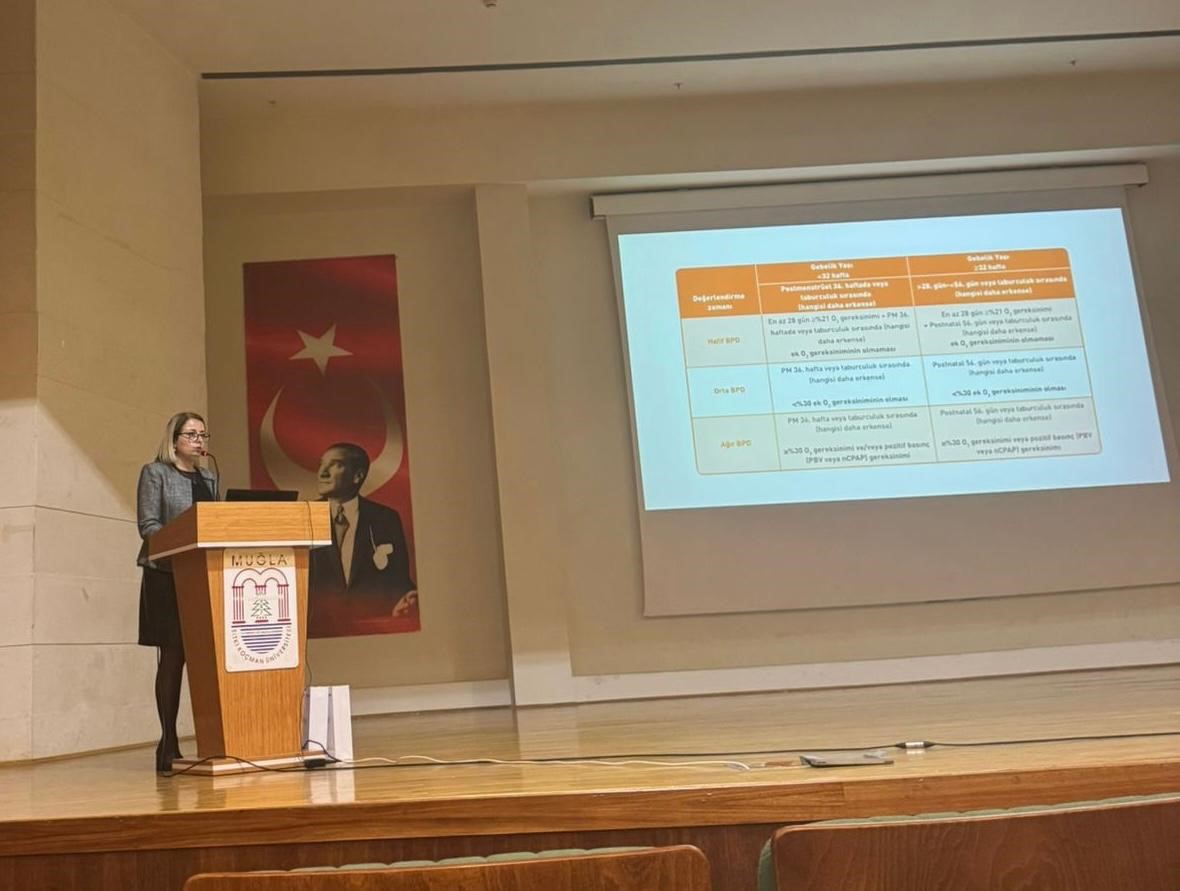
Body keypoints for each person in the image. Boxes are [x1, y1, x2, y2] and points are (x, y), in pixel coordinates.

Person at [136, 411, 217, 773]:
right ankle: (168, 741)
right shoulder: (155, 473)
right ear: (174, 440)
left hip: (203, 576)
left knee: (204, 656)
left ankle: (214, 739)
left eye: (203, 435)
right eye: (192, 435)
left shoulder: (209, 477)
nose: (199, 441)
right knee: (173, 655)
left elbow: (216, 524)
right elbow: (149, 525)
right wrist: (180, 544)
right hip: (167, 575)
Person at [308, 442, 416, 635]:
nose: (322, 473)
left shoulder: (385, 518)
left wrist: (405, 601)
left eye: (335, 464)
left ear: (357, 476)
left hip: (373, 632)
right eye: (321, 464)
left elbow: (399, 581)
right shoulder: (305, 516)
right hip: (319, 635)